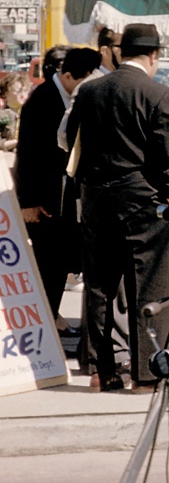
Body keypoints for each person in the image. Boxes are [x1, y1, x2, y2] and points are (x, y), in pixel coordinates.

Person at [67, 23, 169, 393]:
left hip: (98, 197)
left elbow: (69, 139)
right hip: (142, 200)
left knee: (99, 286)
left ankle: (103, 371)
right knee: (150, 285)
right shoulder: (159, 93)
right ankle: (147, 372)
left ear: (120, 52)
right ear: (154, 55)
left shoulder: (90, 90)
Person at [14, 47, 100, 326]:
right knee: (46, 268)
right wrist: (27, 202)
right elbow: (26, 155)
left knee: (60, 265)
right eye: (80, 81)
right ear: (65, 75)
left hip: (64, 201)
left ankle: (50, 321)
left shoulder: (75, 97)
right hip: (42, 201)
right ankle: (43, 325)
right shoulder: (41, 101)